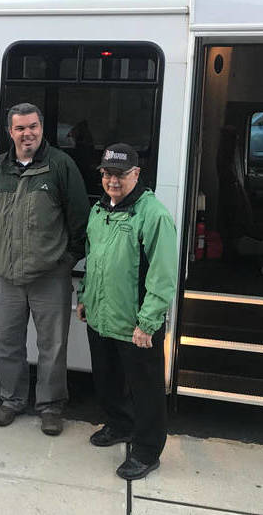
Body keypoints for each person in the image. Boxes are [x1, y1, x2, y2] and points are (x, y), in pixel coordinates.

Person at [0, 103, 90, 436]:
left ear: (42, 128)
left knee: (52, 345)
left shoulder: (60, 166)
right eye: (20, 128)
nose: (27, 134)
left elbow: (80, 222)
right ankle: (11, 401)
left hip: (49, 277)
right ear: (10, 132)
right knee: (6, 342)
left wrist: (65, 262)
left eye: (33, 127)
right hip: (7, 277)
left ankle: (51, 407)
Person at [76, 143, 177, 480]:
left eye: (120, 174)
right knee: (107, 381)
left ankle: (147, 451)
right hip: (102, 316)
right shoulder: (99, 210)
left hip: (137, 325)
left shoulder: (154, 215)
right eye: (107, 173)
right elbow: (92, 261)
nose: (112, 181)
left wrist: (148, 323)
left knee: (145, 390)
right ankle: (119, 425)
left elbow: (163, 277)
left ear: (136, 174)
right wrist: (84, 298)